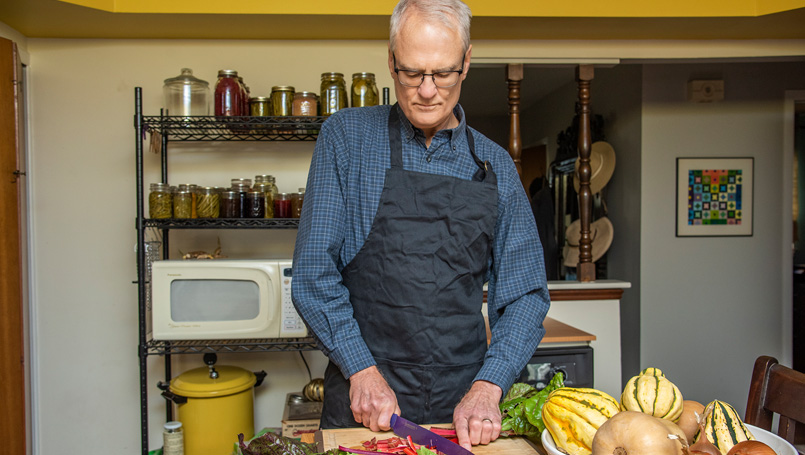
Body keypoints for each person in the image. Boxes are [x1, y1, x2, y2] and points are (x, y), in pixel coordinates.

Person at [291, 0, 550, 449]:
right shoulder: (346, 139)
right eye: (411, 73)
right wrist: (362, 371)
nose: (427, 91)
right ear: (391, 61)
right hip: (362, 404)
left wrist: (489, 388)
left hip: (463, 414)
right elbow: (313, 274)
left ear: (467, 62)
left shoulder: (497, 168)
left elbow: (525, 294)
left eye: (443, 73)